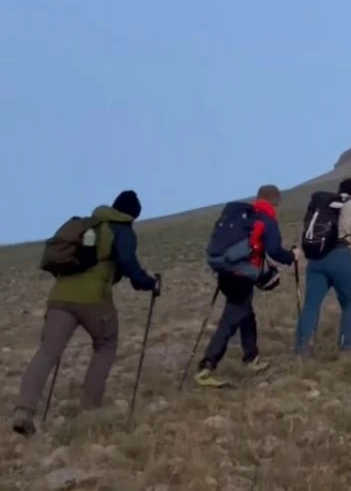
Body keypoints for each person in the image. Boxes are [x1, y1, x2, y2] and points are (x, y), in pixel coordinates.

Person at [14, 190, 160, 437]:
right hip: (93, 299)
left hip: (59, 297)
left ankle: (23, 410)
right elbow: (129, 265)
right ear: (132, 215)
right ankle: (89, 410)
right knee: (106, 343)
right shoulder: (121, 230)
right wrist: (150, 283)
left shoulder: (86, 225)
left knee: (47, 352)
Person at [195, 185, 299, 387]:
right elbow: (275, 251)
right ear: (275, 201)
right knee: (231, 319)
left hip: (225, 271)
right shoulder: (266, 219)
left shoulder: (244, 216)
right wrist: (292, 256)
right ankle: (207, 367)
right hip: (242, 275)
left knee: (246, 313)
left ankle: (251, 357)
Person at [296, 178, 351, 354]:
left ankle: (302, 347)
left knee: (311, 304)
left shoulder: (326, 205)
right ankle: (346, 346)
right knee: (350, 302)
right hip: (339, 255)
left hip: (316, 258)